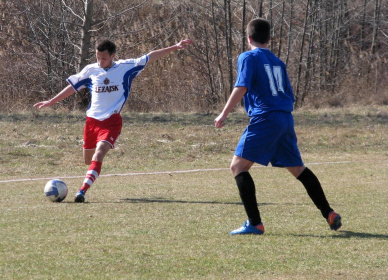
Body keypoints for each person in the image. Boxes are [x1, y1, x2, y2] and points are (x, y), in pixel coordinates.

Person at [214, 18, 342, 235]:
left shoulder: (247, 57)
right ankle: (328, 213)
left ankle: (255, 223)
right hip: (285, 117)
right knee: (298, 169)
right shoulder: (277, 61)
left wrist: (223, 113)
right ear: (269, 39)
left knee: (238, 167)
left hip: (266, 118)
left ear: (248, 38)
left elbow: (241, 86)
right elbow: (288, 94)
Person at [34, 39, 192, 202]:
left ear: (113, 56)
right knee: (88, 160)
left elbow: (150, 57)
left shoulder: (125, 67)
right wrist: (51, 101)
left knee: (99, 153)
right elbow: (73, 87)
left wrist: (175, 47)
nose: (100, 61)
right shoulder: (91, 70)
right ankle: (91, 174)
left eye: (103, 58)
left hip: (111, 122)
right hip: (91, 122)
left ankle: (81, 191)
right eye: (97, 58)